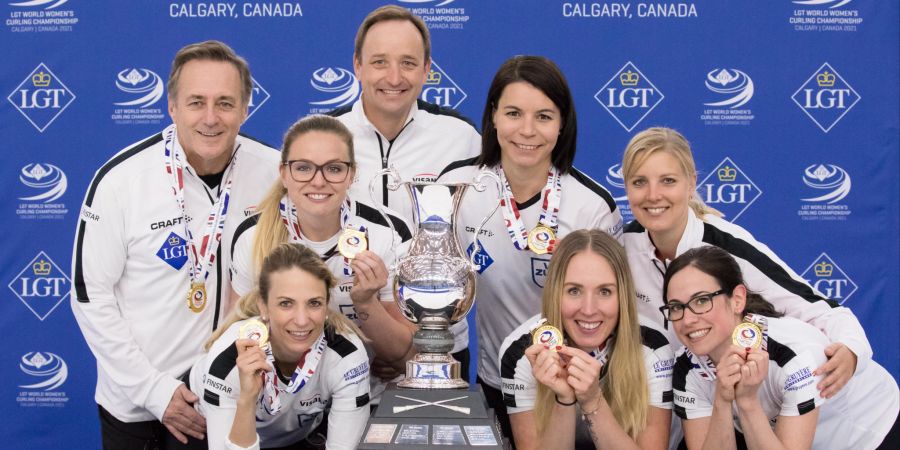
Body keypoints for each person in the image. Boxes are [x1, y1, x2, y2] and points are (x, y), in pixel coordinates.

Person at [71, 41, 279, 449]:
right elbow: (89, 294)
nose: (210, 118)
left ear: (245, 108)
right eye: (195, 102)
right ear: (171, 106)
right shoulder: (121, 180)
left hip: (231, 398)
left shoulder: (275, 172)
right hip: (140, 409)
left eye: (224, 103)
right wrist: (153, 391)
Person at [440, 55, 623, 440]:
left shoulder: (591, 206)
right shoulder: (457, 187)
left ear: (562, 125)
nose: (527, 130)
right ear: (492, 116)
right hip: (497, 381)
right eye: (513, 113)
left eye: (543, 116)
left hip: (580, 380)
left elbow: (615, 310)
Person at [620, 127, 871, 399]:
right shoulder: (624, 245)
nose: (653, 195)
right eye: (639, 182)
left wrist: (852, 350)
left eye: (668, 181)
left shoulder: (728, 247)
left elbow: (818, 309)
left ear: (691, 184)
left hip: (781, 406)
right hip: (689, 404)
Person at [329, 4, 480, 378]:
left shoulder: (461, 139)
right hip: (336, 346)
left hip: (438, 343)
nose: (394, 77)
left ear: (428, 69)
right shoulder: (325, 137)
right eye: (379, 62)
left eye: (409, 63)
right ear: (357, 66)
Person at [230, 114, 414, 401]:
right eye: (303, 168)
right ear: (284, 173)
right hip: (283, 405)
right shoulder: (252, 236)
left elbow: (405, 358)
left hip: (367, 397)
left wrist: (366, 303)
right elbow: (239, 335)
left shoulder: (387, 232)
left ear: (352, 174)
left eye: (334, 168)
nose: (318, 181)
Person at [665, 246, 898, 450]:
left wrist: (746, 401)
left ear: (737, 300)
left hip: (871, 431)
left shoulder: (793, 355)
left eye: (702, 301)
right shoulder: (686, 367)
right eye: (676, 307)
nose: (687, 320)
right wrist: (722, 401)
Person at [499, 230, 673, 450]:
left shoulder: (653, 347)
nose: (589, 309)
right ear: (555, 292)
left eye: (605, 292)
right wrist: (563, 399)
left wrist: (592, 401)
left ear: (622, 295)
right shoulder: (522, 352)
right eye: (574, 291)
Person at [192, 243, 371, 450]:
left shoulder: (347, 355)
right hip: (199, 426)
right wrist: (247, 400)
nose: (302, 320)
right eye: (286, 303)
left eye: (314, 303)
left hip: (293, 437)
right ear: (263, 306)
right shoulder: (230, 358)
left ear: (327, 305)